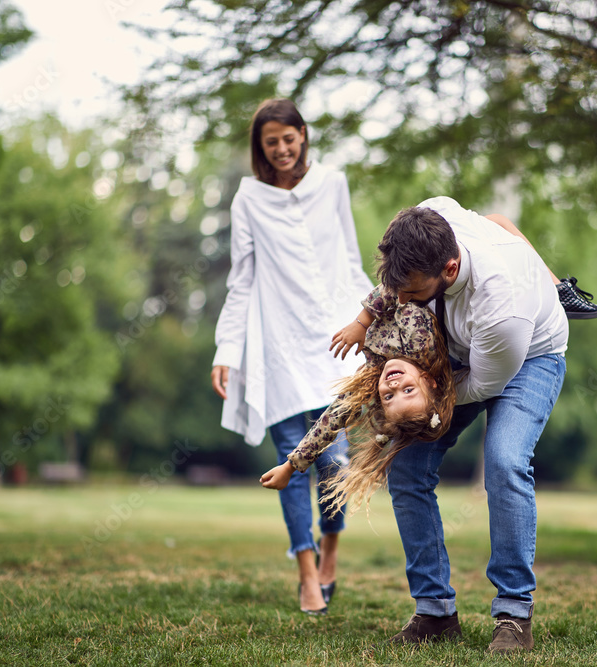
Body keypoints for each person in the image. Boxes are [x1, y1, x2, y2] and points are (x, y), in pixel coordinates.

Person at [375, 197, 570, 654]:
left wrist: (421, 391)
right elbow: (501, 221)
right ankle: (435, 612)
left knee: (504, 461)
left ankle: (514, 613)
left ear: (449, 267)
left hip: (527, 359)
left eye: (411, 289)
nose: (401, 299)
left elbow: (482, 385)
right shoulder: (430, 221)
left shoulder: (501, 305)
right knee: (405, 465)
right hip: (458, 355)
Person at [210, 98, 373, 616]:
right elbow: (242, 279)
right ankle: (305, 572)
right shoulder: (248, 199)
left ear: (303, 135)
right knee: (289, 458)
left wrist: (374, 323)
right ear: (260, 149)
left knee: (333, 460)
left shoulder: (333, 184)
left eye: (288, 138)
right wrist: (227, 350)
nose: (281, 149)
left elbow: (350, 259)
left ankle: (330, 551)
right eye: (270, 143)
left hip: (332, 342)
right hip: (275, 341)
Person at [259, 284, 455, 517]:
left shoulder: (372, 377)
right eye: (409, 390)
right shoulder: (420, 344)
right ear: (427, 380)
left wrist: (290, 467)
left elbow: (331, 421)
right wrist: (361, 323)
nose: (394, 386)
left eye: (389, 397)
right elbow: (400, 285)